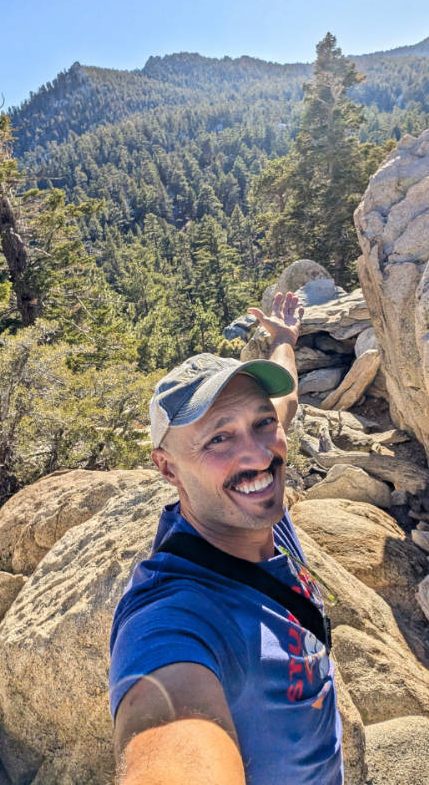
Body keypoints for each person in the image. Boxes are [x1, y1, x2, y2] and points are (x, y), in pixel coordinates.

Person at [109, 292, 343, 785]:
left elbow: (286, 401)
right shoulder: (173, 618)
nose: (259, 456)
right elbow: (170, 738)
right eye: (219, 438)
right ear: (167, 467)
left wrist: (282, 340)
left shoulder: (251, 517)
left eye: (261, 424)